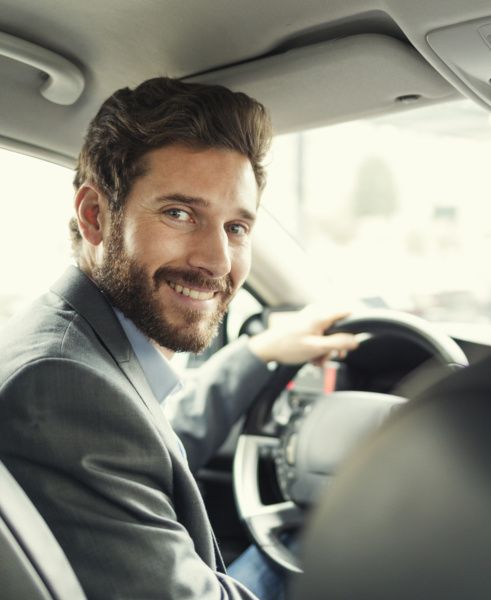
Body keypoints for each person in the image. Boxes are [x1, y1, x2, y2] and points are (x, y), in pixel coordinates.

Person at [0, 77, 357, 600]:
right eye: (179, 214)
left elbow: (147, 442)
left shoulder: (76, 348)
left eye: (237, 227)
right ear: (95, 216)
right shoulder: (62, 385)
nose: (216, 260)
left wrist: (257, 354)